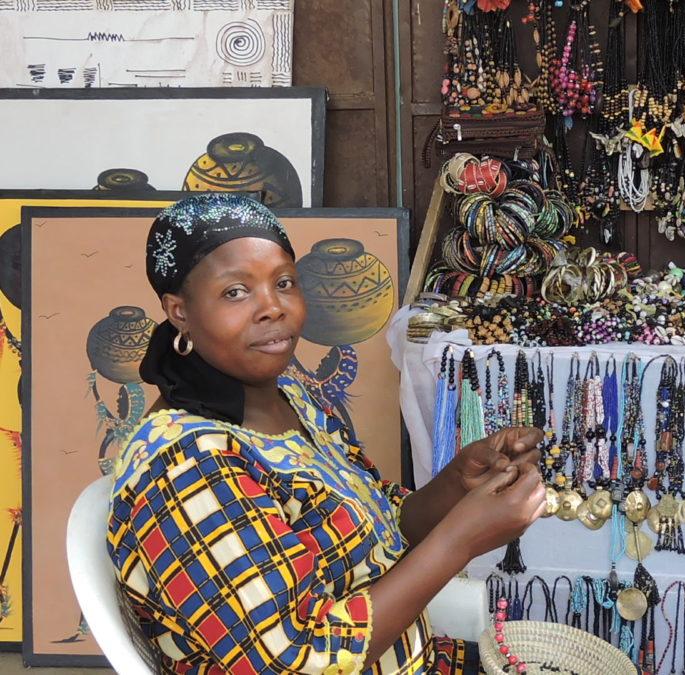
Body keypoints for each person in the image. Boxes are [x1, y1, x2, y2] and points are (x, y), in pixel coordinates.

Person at [108, 194, 546, 675]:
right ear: (179, 311)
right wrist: (461, 541)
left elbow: (378, 532)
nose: (272, 308)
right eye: (236, 292)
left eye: (284, 283)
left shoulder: (293, 397)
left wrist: (457, 484)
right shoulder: (185, 468)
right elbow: (296, 660)